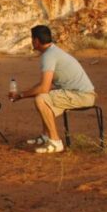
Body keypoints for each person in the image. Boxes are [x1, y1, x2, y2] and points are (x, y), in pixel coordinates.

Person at [9, 25, 96, 154]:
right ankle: (46, 136)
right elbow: (45, 86)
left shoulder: (48, 56)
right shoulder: (52, 52)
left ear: (36, 40)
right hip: (80, 94)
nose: (32, 42)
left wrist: (20, 95)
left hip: (82, 96)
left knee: (41, 99)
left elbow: (43, 88)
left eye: (32, 39)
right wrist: (21, 95)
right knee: (44, 97)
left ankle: (55, 141)